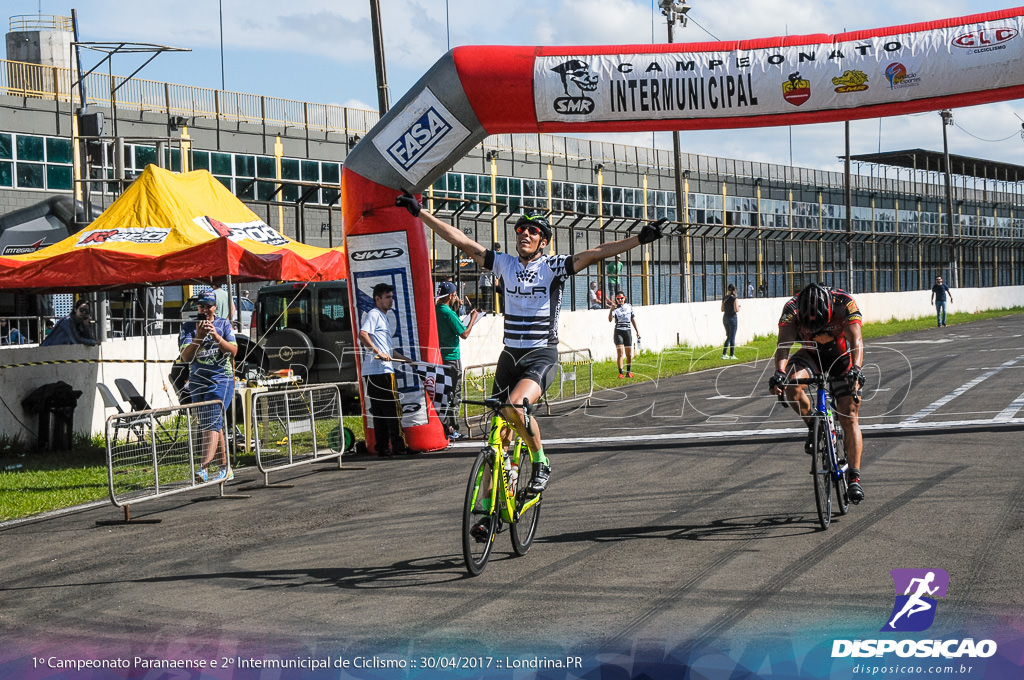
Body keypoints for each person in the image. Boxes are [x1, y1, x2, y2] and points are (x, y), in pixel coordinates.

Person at [398, 190, 664, 504]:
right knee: (498, 438)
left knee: (514, 407)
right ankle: (488, 509)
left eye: (533, 230)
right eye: (520, 229)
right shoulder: (504, 264)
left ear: (544, 241)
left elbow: (597, 252)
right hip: (509, 356)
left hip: (541, 355)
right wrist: (420, 214)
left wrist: (639, 239)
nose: (525, 233)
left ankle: (540, 462)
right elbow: (461, 240)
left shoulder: (555, 266)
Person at [768, 283, 866, 503]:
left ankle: (854, 478)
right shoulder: (792, 309)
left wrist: (856, 372)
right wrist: (779, 373)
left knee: (849, 414)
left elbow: (856, 341)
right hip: (810, 355)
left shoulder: (844, 304)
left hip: (841, 357)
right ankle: (814, 424)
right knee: (792, 385)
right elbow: (783, 345)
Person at [178, 290, 238, 483]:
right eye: (201, 306)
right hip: (198, 381)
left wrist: (216, 337)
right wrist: (198, 338)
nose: (204, 310)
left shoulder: (223, 324)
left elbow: (234, 351)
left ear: (215, 307)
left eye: (208, 306)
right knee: (211, 423)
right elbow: (185, 357)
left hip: (221, 379)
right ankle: (225, 468)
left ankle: (203, 468)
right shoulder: (189, 327)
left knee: (212, 421)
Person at [358, 282, 411, 456]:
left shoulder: (382, 317)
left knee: (380, 411)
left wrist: (405, 359)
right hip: (381, 371)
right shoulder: (374, 314)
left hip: (374, 371)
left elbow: (388, 349)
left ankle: (382, 447)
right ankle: (399, 446)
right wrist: (377, 352)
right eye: (387, 297)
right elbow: (363, 334)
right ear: (377, 299)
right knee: (393, 410)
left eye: (392, 297)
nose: (391, 300)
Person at [436, 280, 479, 441]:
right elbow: (464, 334)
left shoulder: (437, 309)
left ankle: (446, 426)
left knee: (445, 392)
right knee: (454, 393)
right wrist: (473, 318)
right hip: (452, 358)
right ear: (452, 295)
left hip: (440, 356)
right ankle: (452, 428)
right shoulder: (447, 312)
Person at [609, 291, 640, 378]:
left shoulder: (629, 306)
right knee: (620, 353)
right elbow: (610, 319)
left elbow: (632, 319)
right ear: (616, 299)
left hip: (628, 331)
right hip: (619, 331)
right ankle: (621, 373)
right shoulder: (615, 308)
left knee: (629, 354)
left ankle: (629, 372)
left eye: (621, 298)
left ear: (624, 298)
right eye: (618, 299)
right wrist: (611, 310)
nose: (620, 300)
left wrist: (637, 331)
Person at [722, 283, 740, 360]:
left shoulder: (725, 298)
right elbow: (736, 309)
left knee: (728, 336)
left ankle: (724, 354)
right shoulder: (734, 298)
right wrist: (739, 307)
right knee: (732, 337)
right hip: (732, 318)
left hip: (725, 317)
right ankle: (732, 355)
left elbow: (722, 309)